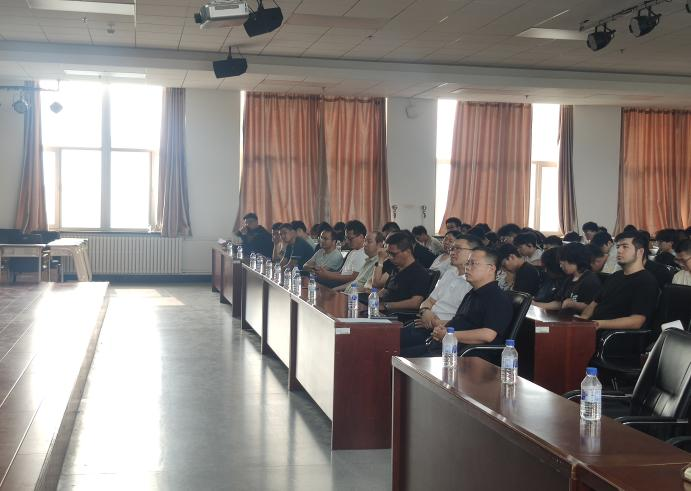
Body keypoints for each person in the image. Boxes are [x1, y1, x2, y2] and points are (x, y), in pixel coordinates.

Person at [416, 247, 513, 357]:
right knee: (402, 354)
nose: (467, 267)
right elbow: (460, 322)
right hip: (446, 347)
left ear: (491, 268)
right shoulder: (472, 293)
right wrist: (442, 328)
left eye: (473, 263)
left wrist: (449, 334)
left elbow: (487, 335)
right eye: (467, 263)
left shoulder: (497, 298)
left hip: (466, 355)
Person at [400, 235, 479, 348]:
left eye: (458, 249)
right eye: (452, 248)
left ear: (473, 253)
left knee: (395, 345)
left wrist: (433, 323)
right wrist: (425, 311)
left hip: (444, 332)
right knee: (387, 337)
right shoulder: (450, 272)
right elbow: (429, 301)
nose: (452, 252)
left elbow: (464, 322)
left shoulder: (474, 283)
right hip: (425, 322)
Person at [577, 231, 659, 330]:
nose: (619, 250)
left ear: (640, 252)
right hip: (593, 329)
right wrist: (582, 320)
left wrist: (597, 324)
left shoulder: (646, 281)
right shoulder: (615, 276)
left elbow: (637, 321)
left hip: (613, 335)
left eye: (625, 247)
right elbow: (594, 303)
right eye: (618, 247)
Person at [534, 243, 600, 313]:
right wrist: (535, 304)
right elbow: (559, 303)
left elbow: (592, 306)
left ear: (573, 261)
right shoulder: (569, 278)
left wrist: (574, 304)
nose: (560, 266)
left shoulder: (590, 280)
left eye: (562, 263)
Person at [378, 232, 430, 312]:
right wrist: (372, 299)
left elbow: (416, 303)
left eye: (393, 254)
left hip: (397, 315)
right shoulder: (396, 268)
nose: (390, 257)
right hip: (382, 310)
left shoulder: (419, 273)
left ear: (407, 252)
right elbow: (385, 290)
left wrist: (386, 306)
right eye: (388, 253)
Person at [314, 220, 367, 287]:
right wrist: (325, 273)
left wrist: (327, 275)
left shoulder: (363, 253)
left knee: (318, 280)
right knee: (316, 278)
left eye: (350, 239)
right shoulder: (352, 252)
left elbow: (353, 278)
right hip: (340, 281)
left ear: (361, 237)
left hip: (347, 286)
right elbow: (341, 273)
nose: (347, 241)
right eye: (346, 238)